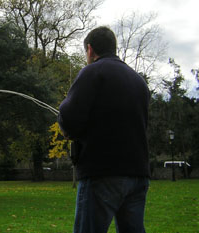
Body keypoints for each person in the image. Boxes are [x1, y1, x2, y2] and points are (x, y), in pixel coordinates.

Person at [58, 26, 151, 233]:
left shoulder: (92, 72)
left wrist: (64, 124)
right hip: (138, 175)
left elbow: (69, 119)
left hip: (102, 173)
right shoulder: (139, 82)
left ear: (90, 50)